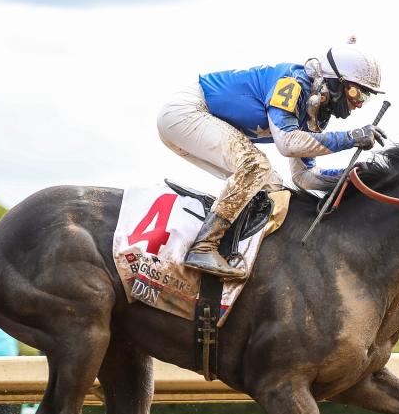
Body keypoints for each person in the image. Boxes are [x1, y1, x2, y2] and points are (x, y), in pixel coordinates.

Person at [157, 37, 386, 279]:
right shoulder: (293, 83)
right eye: (356, 92)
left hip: (190, 119)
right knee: (255, 166)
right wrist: (351, 137)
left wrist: (346, 177)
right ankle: (204, 247)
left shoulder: (316, 111)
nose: (359, 104)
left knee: (273, 188)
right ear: (336, 82)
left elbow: (304, 177)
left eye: (365, 98)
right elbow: (287, 143)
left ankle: (234, 257)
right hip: (187, 111)